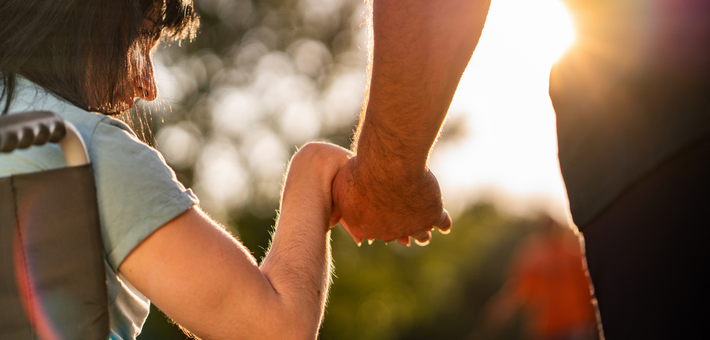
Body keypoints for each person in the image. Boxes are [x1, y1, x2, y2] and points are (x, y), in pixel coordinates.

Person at [333, 0, 710, 338]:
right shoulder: (546, 255)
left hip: (657, 135)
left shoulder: (555, 254)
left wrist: (390, 174)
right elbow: (520, 294)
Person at [0, 1, 351, 339]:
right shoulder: (82, 145)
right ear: (94, 20)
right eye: (142, 40)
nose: (148, 87)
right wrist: (312, 170)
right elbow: (275, 330)